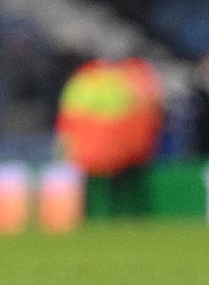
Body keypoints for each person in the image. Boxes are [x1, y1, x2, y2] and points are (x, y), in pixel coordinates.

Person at [57, 56, 164, 217]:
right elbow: (149, 113)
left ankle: (90, 218)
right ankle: (132, 217)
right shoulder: (131, 79)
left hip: (91, 152)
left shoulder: (81, 82)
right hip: (125, 151)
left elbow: (67, 120)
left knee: (95, 190)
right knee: (128, 189)